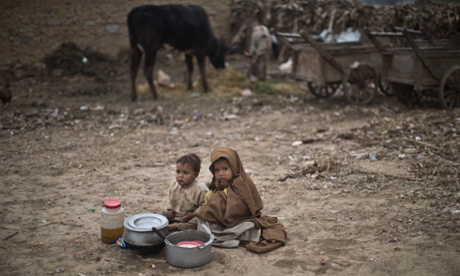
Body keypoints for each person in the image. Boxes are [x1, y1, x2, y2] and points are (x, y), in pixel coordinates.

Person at [196, 147, 287, 254]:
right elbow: (212, 201)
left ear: (234, 167)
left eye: (225, 169)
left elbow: (238, 208)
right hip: (222, 219)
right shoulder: (218, 182)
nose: (221, 174)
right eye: (217, 170)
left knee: (244, 228)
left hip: (239, 220)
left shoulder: (240, 183)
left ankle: (234, 237)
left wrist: (220, 198)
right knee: (203, 224)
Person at [163, 154, 208, 232]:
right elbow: (169, 197)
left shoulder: (200, 189)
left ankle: (177, 226)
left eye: (185, 173)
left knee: (199, 220)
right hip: (175, 214)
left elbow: (205, 206)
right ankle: (163, 225)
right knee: (162, 213)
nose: (180, 176)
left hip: (189, 218)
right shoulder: (174, 185)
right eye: (178, 172)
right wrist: (170, 209)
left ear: (196, 174)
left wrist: (193, 214)